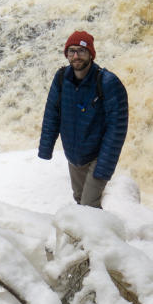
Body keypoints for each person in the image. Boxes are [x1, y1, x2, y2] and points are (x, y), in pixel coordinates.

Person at [38, 30, 129, 207]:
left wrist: (104, 165)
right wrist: (45, 148)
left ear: (91, 54)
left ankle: (100, 235)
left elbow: (117, 128)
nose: (76, 56)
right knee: (80, 201)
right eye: (71, 51)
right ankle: (92, 233)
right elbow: (52, 113)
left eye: (81, 50)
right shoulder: (61, 78)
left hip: (98, 155)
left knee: (89, 205)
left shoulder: (107, 82)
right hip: (75, 155)